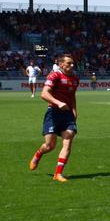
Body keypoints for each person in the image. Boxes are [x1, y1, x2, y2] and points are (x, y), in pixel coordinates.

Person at [28, 54, 80, 182]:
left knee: (68, 139)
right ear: (61, 64)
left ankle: (58, 174)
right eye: (69, 63)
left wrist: (74, 110)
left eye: (73, 63)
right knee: (50, 145)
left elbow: (72, 96)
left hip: (67, 114)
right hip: (53, 113)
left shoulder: (75, 79)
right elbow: (44, 94)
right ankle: (38, 154)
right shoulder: (54, 75)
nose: (72, 65)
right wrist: (58, 103)